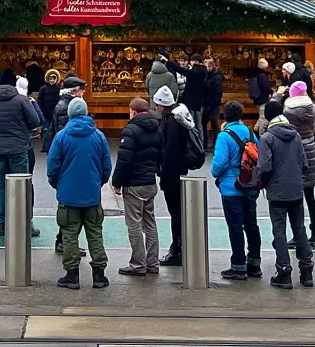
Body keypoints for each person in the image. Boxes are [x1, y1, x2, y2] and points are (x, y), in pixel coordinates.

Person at [47, 96, 112, 288]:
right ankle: (99, 275)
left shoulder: (61, 137)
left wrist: (58, 184)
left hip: (68, 195)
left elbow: (52, 168)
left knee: (69, 234)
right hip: (91, 194)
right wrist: (97, 183)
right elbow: (106, 166)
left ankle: (72, 275)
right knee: (95, 233)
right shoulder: (98, 136)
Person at [256, 98, 313, 288]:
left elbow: (264, 166)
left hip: (277, 190)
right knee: (299, 229)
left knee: (279, 231)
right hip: (296, 189)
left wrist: (262, 182)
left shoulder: (267, 138)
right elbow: (304, 163)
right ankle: (306, 270)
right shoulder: (295, 135)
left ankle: (284, 270)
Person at [209, 99, 261, 279]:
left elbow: (219, 163)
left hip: (231, 187)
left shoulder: (224, 136)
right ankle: (254, 263)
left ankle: (238, 265)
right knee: (251, 224)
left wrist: (215, 173)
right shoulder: (249, 132)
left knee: (235, 226)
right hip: (250, 184)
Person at [0, 76, 43, 239]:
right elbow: (35, 121)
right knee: (22, 185)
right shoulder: (21, 100)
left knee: (0, 186)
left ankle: (2, 223)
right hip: (19, 148)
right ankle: (24, 222)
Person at [111, 96, 163, 276]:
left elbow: (124, 160)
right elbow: (160, 156)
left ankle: (138, 264)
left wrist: (117, 182)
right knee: (150, 223)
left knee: (133, 224)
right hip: (149, 182)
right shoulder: (158, 129)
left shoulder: (130, 130)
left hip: (134, 184)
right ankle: (153, 263)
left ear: (132, 111)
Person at [154, 85, 202, 267]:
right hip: (180, 170)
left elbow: (170, 151)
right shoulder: (181, 118)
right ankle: (180, 247)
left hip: (171, 173)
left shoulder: (171, 123)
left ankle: (178, 250)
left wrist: (162, 170)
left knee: (175, 211)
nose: (156, 106)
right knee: (179, 211)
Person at [283, 80, 315, 248]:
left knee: (295, 198)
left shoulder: (288, 112)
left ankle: (298, 234)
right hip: (310, 148)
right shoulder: (314, 109)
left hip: (295, 150)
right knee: (310, 196)